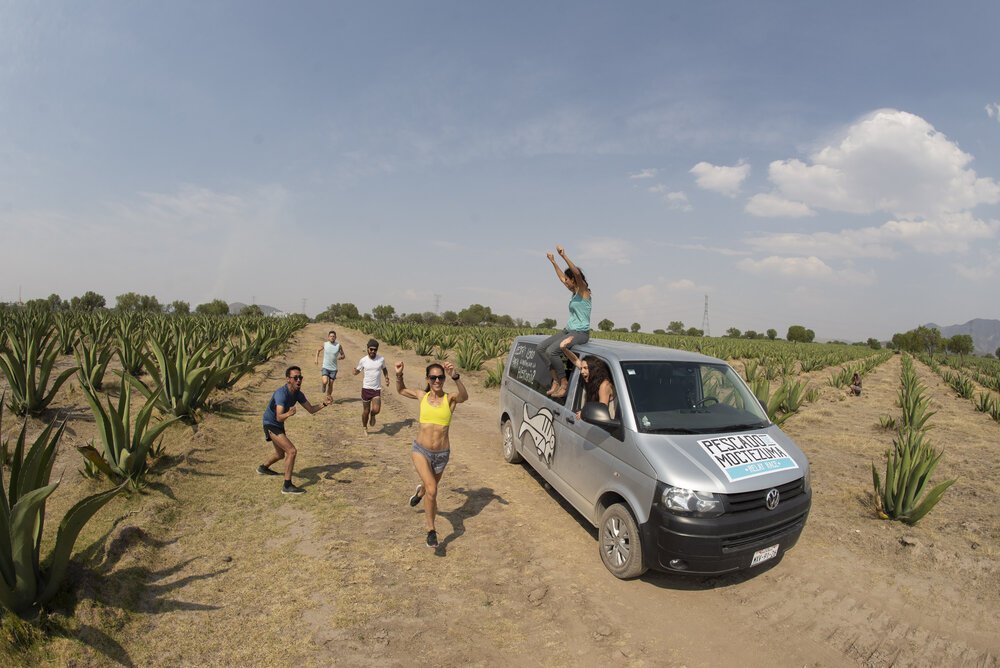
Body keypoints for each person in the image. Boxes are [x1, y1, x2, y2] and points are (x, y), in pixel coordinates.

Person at [394, 360, 468, 549]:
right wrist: (399, 374)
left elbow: (464, 396)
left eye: (440, 377)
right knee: (433, 490)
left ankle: (420, 492)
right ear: (427, 379)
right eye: (433, 377)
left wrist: (455, 376)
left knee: (429, 489)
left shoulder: (449, 399)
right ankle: (431, 530)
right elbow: (401, 390)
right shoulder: (422, 395)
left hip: (442, 454)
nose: (437, 380)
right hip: (421, 451)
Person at [258, 365, 332, 495]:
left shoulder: (297, 393)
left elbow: (311, 410)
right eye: (295, 378)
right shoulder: (281, 394)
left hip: (278, 424)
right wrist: (288, 414)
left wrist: (324, 404)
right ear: (288, 379)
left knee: (281, 454)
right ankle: (287, 485)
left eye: (300, 377)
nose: (299, 380)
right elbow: (279, 417)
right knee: (291, 451)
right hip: (271, 423)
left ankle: (263, 468)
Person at [536, 244, 591, 399]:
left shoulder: (584, 291)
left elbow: (577, 274)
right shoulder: (574, 292)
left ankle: (563, 382)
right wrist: (553, 262)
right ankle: (555, 379)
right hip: (568, 330)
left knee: (552, 351)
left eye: (568, 280)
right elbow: (561, 277)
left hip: (580, 333)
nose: (565, 282)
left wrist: (563, 256)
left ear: (574, 280)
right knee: (541, 348)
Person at [563, 348, 615, 419]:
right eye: (581, 368)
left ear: (593, 369)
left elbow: (601, 412)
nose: (581, 371)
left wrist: (584, 413)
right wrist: (563, 348)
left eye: (585, 368)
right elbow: (575, 360)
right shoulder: (592, 377)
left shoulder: (604, 385)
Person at [353, 338, 389, 434]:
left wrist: (386, 378)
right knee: (366, 411)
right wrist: (355, 372)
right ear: (367, 349)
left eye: (375, 349)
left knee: (376, 409)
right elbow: (358, 370)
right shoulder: (363, 360)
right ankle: (365, 427)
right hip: (366, 389)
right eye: (371, 349)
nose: (373, 351)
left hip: (376, 389)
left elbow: (384, 369)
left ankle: (373, 415)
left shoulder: (381, 359)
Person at [314, 330, 346, 399]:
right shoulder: (325, 344)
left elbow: (343, 355)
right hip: (325, 367)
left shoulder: (338, 346)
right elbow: (318, 350)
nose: (332, 337)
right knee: (325, 381)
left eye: (333, 336)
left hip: (334, 368)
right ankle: (323, 385)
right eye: (331, 336)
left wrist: (341, 357)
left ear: (336, 337)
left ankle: (328, 397)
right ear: (328, 337)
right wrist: (316, 359)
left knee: (331, 384)